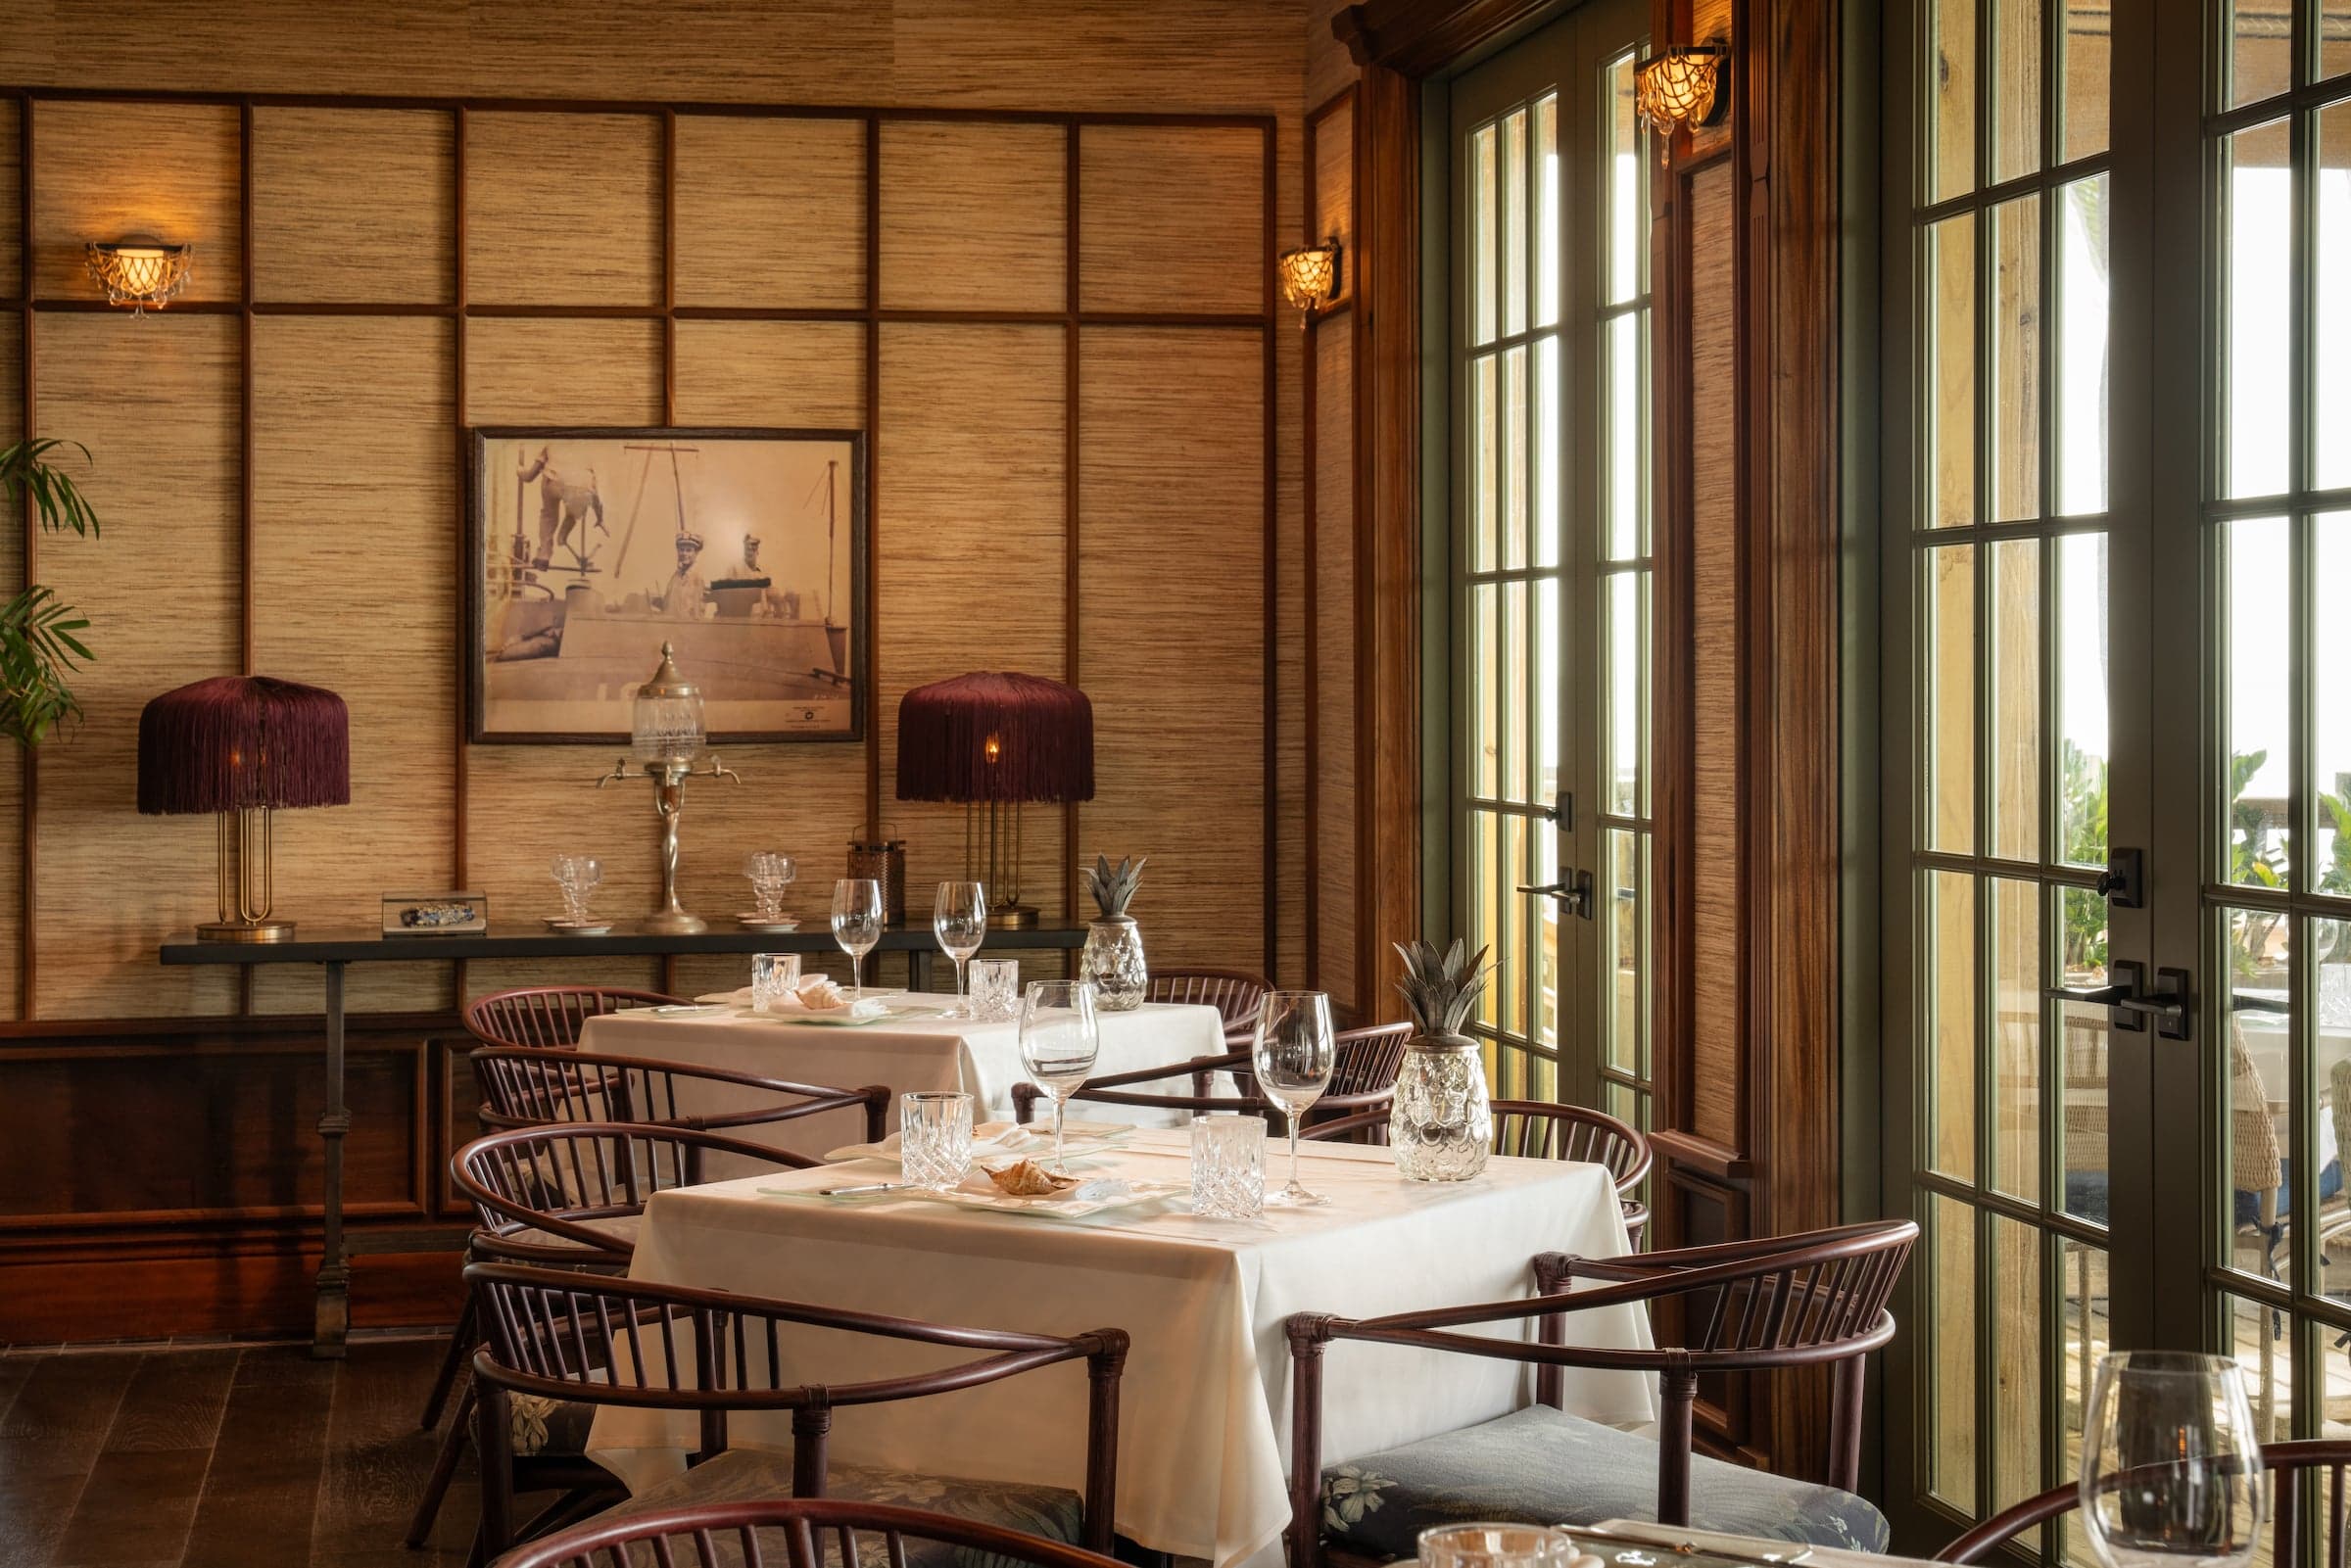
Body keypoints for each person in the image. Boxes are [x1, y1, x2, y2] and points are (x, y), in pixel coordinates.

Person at [514, 446, 604, 571]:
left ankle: (544, 556)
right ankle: (563, 536)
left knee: (549, 516)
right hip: (581, 487)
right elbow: (595, 492)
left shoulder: (550, 444)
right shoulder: (585, 450)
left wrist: (519, 471)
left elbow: (529, 477)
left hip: (553, 481)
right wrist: (600, 518)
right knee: (572, 515)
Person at [652, 533, 707, 619]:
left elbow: (698, 614)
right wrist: (656, 602)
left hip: (686, 629)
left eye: (689, 550)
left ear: (696, 553)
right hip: (670, 627)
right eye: (681, 550)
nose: (684, 553)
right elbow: (670, 605)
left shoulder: (697, 578)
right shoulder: (676, 576)